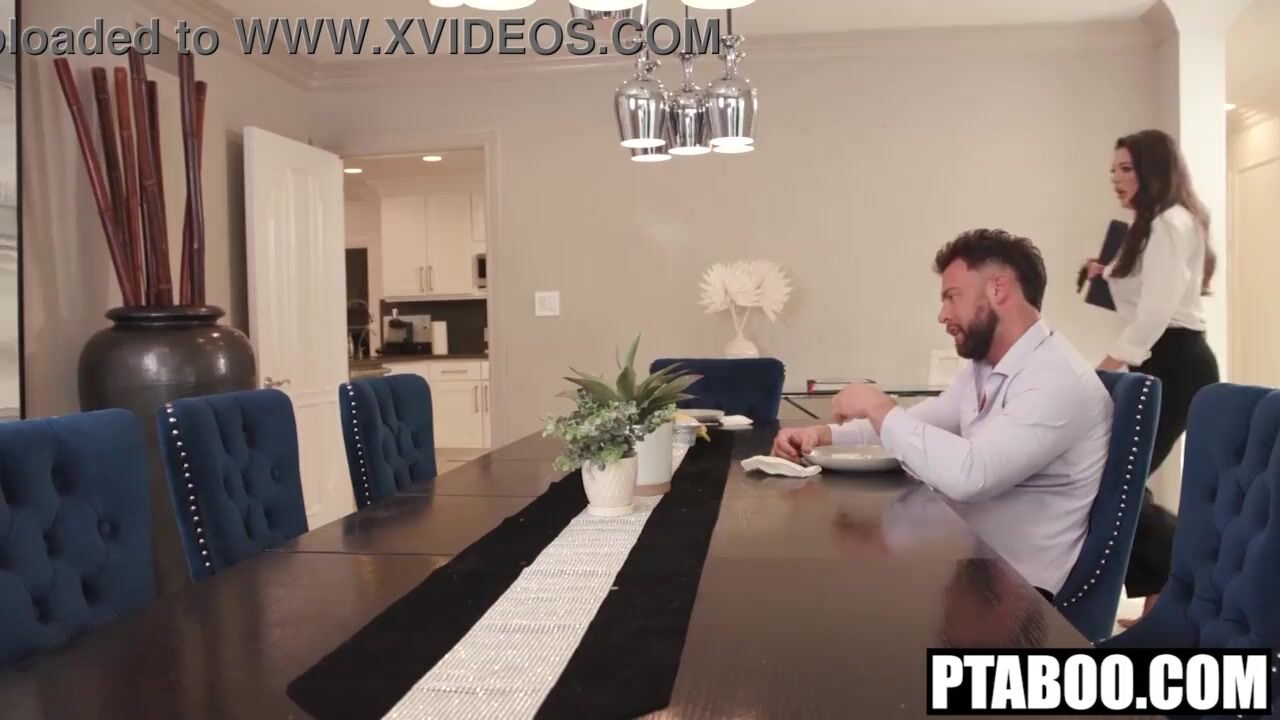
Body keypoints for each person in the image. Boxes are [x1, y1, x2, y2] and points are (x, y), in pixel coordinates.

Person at [773, 229, 1112, 599]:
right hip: (970, 560)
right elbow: (920, 422)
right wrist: (823, 435)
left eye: (952, 297)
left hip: (1017, 593)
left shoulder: (1055, 379)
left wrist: (877, 406)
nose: (942, 315)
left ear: (998, 289)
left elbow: (972, 476)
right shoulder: (988, 367)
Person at [1082, 129, 1220, 618]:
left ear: (1152, 170)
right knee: (1121, 478)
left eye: (1126, 168)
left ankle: (1181, 588)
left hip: (1175, 361)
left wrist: (1109, 364)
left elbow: (1157, 311)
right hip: (1167, 359)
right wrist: (1105, 273)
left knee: (1117, 478)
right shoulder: (1157, 224)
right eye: (1113, 170)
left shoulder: (1168, 223)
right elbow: (1150, 297)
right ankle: (1161, 605)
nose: (1116, 179)